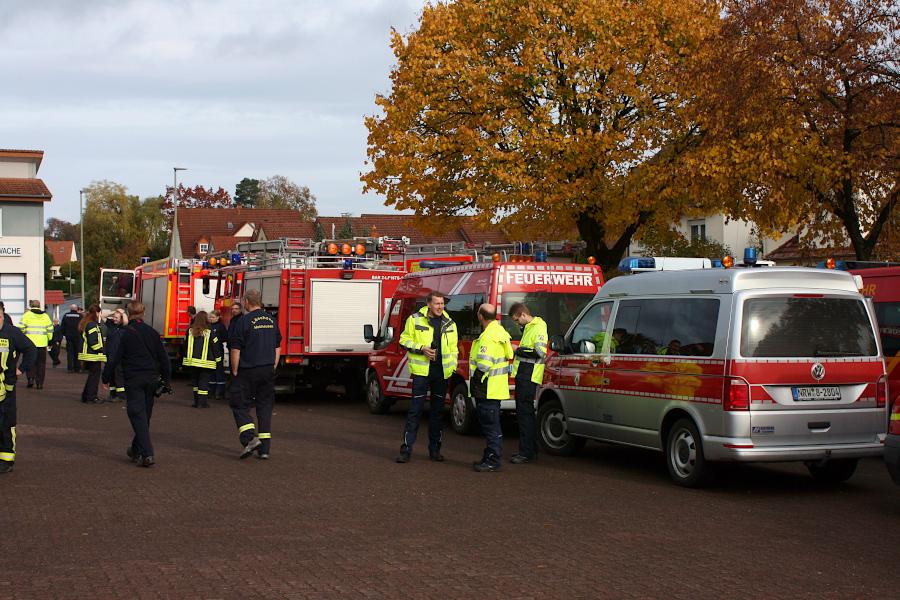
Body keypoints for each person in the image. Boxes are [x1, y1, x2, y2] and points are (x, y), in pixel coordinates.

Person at [102, 302, 171, 468]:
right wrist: (167, 381)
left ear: (128, 313)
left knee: (136, 414)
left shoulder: (125, 334)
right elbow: (164, 359)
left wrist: (105, 377)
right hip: (152, 379)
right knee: (144, 416)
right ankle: (135, 449)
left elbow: (114, 358)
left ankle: (147, 453)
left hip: (134, 379)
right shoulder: (153, 333)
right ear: (143, 313)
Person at [395, 291, 458, 463]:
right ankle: (406, 451)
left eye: (442, 304)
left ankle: (435, 451)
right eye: (437, 304)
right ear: (429, 304)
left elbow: (454, 349)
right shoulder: (414, 319)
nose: (440, 307)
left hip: (441, 374)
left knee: (437, 413)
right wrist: (421, 348)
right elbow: (403, 340)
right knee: (415, 411)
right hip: (422, 373)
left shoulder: (450, 323)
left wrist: (451, 369)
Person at [228, 290, 281, 460]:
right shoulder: (272, 320)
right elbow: (277, 347)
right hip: (267, 369)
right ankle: (264, 449)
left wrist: (234, 370)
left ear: (246, 302)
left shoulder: (243, 321)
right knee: (265, 407)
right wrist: (272, 365)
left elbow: (235, 348)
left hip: (247, 370)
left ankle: (249, 438)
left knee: (239, 404)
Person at [470, 303, 513, 472]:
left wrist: (474, 379)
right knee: (492, 425)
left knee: (490, 426)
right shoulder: (500, 332)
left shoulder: (488, 336)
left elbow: (483, 365)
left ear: (480, 316)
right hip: (496, 387)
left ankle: (492, 460)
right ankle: (490, 456)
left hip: (487, 387)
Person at [0, 302, 37, 474]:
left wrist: (21, 369)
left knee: (6, 422)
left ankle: (7, 459)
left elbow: (31, 349)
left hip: (7, 386)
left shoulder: (12, 333)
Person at [509, 302, 548, 464]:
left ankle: (526, 452)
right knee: (526, 414)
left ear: (524, 315)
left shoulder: (538, 327)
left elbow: (540, 352)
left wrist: (516, 349)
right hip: (525, 375)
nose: (516, 323)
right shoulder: (530, 327)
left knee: (525, 414)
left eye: (517, 320)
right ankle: (530, 449)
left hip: (529, 375)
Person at [182, 311, 221, 408]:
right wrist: (218, 360)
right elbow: (215, 347)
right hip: (206, 363)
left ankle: (196, 402)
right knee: (203, 382)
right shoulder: (209, 331)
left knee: (195, 383)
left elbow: (185, 346)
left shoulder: (189, 331)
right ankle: (202, 403)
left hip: (192, 362)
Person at [19, 300, 54, 389]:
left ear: (31, 306)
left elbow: (21, 328)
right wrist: (49, 340)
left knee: (30, 361)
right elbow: (50, 329)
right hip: (42, 344)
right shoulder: (45, 316)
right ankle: (40, 383)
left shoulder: (27, 315)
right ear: (39, 306)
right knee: (41, 364)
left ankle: (30, 379)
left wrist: (23, 338)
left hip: (29, 344)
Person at [78, 304, 106, 404]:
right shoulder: (92, 324)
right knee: (94, 377)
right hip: (93, 355)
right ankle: (91, 397)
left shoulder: (87, 323)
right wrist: (101, 350)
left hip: (89, 354)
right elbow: (93, 341)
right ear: (97, 313)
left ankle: (86, 396)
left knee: (91, 376)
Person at [104, 309, 127, 401]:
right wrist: (113, 312)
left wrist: (122, 313)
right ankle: (112, 394)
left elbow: (126, 321)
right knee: (111, 374)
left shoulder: (123, 327)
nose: (114, 319)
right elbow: (102, 316)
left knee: (119, 375)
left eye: (116, 318)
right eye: (114, 317)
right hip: (110, 354)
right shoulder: (110, 324)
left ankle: (120, 395)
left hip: (119, 355)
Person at [208, 310, 228, 400]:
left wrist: (217, 340)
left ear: (217, 317)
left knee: (219, 372)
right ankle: (211, 391)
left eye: (212, 317)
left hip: (218, 351)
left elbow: (225, 337)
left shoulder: (221, 326)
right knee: (211, 372)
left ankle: (220, 392)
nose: (211, 319)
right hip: (209, 352)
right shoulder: (208, 326)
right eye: (210, 317)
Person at [61, 304, 82, 373]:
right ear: (76, 309)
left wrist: (65, 334)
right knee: (77, 352)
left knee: (70, 353)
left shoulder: (66, 315)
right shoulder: (80, 316)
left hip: (69, 337)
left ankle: (70, 368)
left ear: (70, 309)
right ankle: (77, 368)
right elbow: (82, 326)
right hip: (77, 337)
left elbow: (62, 326)